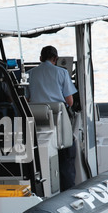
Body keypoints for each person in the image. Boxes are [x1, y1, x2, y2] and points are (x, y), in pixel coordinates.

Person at [28, 45, 77, 191]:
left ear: (40, 58)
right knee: (68, 152)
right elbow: (70, 102)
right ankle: (68, 188)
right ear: (55, 59)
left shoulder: (30, 73)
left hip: (37, 120)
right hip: (58, 118)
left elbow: (27, 98)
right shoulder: (62, 72)